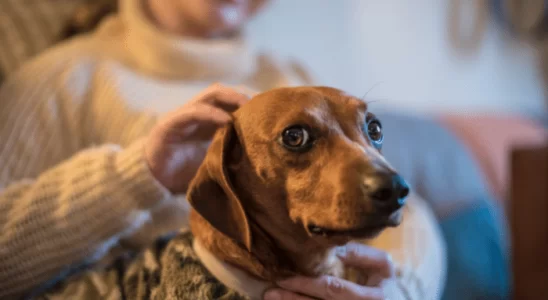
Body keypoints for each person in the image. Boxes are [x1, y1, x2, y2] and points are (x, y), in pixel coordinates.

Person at [0, 0, 446, 299]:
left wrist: (402, 290)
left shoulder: (288, 70)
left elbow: (406, 210)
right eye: (295, 137)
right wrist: (137, 175)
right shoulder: (58, 81)